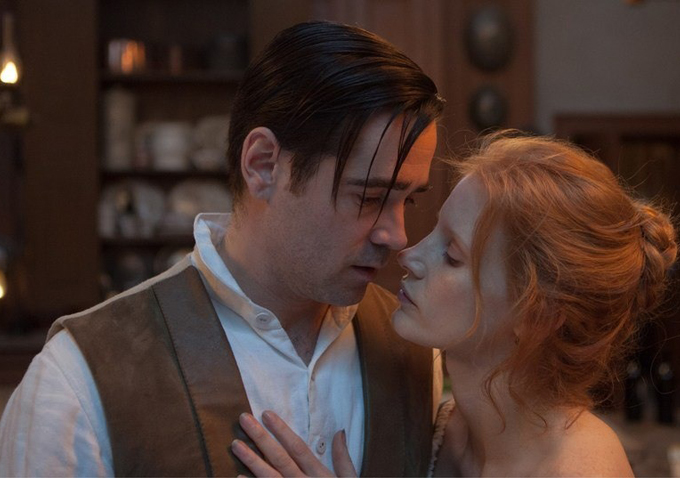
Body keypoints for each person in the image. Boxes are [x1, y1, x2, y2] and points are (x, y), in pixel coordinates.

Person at [0, 21, 445, 477]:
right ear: (263, 164)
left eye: (408, 200)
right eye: (369, 197)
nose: (397, 235)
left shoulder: (414, 352)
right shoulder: (81, 378)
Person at [231, 131, 678, 477]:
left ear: (537, 314)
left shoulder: (579, 468)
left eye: (451, 255)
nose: (409, 254)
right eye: (435, 231)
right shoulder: (447, 430)